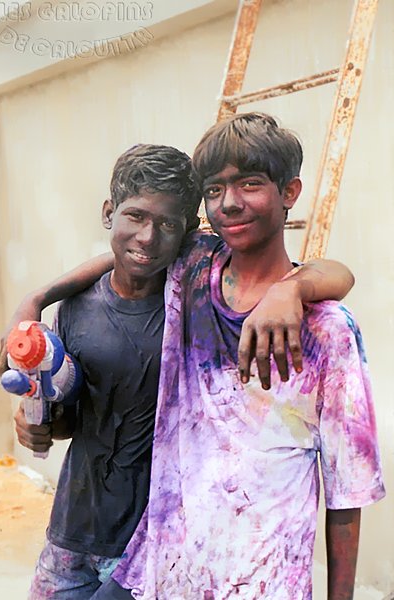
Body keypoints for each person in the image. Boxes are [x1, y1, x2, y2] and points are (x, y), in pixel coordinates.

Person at [0, 126, 356, 599]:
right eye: (134, 217)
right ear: (109, 213)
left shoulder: (200, 296)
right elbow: (74, 414)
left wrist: (291, 288)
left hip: (179, 554)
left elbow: (337, 272)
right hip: (81, 535)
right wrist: (35, 305)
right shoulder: (102, 301)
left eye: (168, 226)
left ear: (187, 232)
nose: (148, 237)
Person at [90, 113, 385, 599]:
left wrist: (291, 289)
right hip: (160, 568)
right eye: (214, 189)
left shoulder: (325, 331)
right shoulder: (192, 269)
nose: (229, 202)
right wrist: (36, 299)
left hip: (260, 581)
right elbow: (129, 253)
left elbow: (346, 492)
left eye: (249, 183)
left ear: (289, 192)